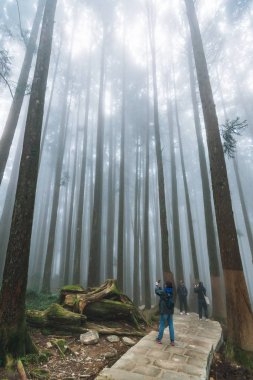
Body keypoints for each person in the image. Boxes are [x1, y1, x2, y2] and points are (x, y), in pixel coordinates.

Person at [155, 280, 175, 346]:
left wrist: (157, 285)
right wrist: (160, 287)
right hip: (170, 312)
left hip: (164, 312)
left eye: (165, 284)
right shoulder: (172, 291)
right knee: (171, 325)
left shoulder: (164, 292)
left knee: (162, 325)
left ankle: (159, 339)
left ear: (166, 285)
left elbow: (157, 291)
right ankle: (172, 341)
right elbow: (163, 292)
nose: (165, 285)